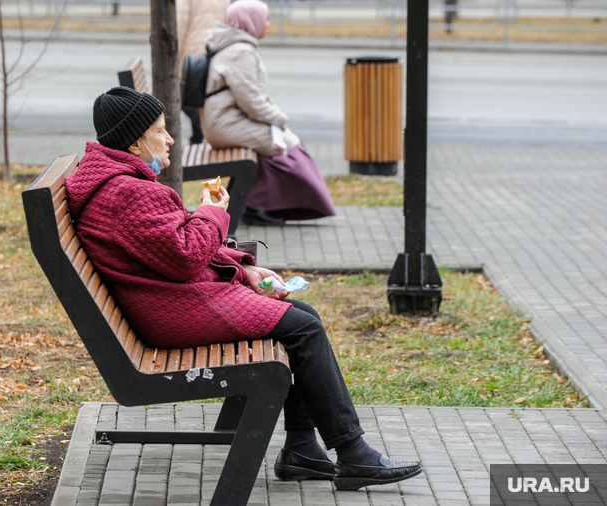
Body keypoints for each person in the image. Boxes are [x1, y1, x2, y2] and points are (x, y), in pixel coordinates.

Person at [65, 86, 423, 490]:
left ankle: (304, 449)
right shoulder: (127, 192)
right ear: (134, 141)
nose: (169, 139)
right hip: (176, 310)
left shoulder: (122, 182)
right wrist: (215, 211)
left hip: (173, 300)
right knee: (303, 330)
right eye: (161, 130)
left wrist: (244, 267)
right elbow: (184, 255)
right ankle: (353, 452)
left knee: (305, 319)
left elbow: (175, 248)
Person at [201, 0, 336, 226]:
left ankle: (260, 204)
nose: (270, 24)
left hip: (225, 122)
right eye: (265, 19)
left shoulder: (237, 47)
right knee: (285, 143)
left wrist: (275, 118)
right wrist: (278, 119)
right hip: (226, 126)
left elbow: (250, 98)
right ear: (250, 21)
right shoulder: (239, 51)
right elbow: (251, 102)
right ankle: (273, 204)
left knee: (278, 138)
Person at [177, 0, 231, 144]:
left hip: (192, 54)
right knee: (200, 100)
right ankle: (198, 137)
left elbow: (178, 27)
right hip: (212, 51)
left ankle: (197, 138)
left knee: (187, 100)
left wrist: (173, 61)